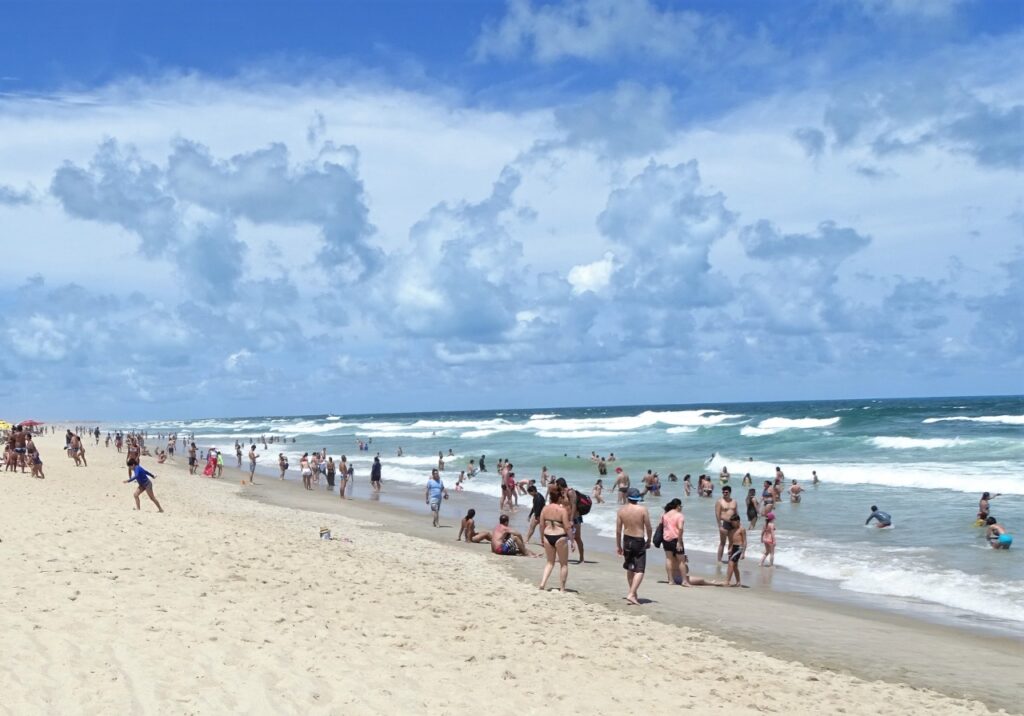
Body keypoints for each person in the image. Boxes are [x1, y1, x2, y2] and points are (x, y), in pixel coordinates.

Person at [615, 488, 652, 605]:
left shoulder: (621, 511)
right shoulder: (642, 510)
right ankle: (631, 594)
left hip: (627, 540)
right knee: (640, 569)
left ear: (627, 497)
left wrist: (618, 546)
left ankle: (633, 593)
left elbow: (618, 531)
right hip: (638, 540)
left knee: (630, 568)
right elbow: (649, 527)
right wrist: (649, 539)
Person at [539, 484, 572, 592]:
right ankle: (562, 589)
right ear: (559, 498)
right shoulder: (562, 510)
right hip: (560, 536)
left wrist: (541, 538)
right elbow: (567, 527)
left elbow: (541, 525)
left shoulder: (544, 509)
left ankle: (542, 583)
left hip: (547, 536)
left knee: (549, 562)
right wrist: (572, 540)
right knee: (563, 564)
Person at [660, 498, 686, 586]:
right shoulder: (679, 515)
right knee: (681, 561)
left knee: (668, 559)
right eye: (681, 506)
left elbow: (661, 526)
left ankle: (671, 580)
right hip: (676, 539)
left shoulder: (665, 515)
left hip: (666, 539)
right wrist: (679, 541)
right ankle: (684, 581)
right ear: (678, 506)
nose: (681, 508)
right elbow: (680, 528)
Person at [715, 486, 738, 563]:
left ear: (730, 492)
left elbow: (736, 514)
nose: (725, 493)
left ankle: (730, 559)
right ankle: (719, 560)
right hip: (724, 523)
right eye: (723, 492)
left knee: (732, 542)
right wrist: (720, 526)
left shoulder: (734, 502)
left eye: (726, 492)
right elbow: (717, 514)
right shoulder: (720, 502)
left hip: (733, 524)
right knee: (722, 542)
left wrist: (738, 524)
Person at [725, 514, 746, 586]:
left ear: (738, 521)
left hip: (739, 548)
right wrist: (730, 549)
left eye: (733, 523)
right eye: (731, 523)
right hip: (733, 547)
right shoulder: (732, 530)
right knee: (734, 566)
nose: (732, 524)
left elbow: (745, 541)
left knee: (731, 564)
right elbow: (731, 541)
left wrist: (743, 553)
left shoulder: (742, 529)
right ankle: (738, 582)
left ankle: (727, 581)